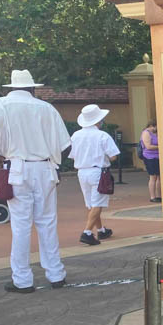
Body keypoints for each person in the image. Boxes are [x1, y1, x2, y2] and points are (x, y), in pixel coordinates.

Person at [0, 69, 71, 293]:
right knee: (47, 223)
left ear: (12, 87)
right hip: (45, 169)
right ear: (32, 88)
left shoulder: (2, 104)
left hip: (18, 169)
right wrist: (55, 165)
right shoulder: (46, 108)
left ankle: (23, 280)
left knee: (21, 226)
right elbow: (66, 146)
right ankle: (56, 274)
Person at [70, 104, 120, 245]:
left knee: (91, 204)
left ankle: (101, 230)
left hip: (82, 171)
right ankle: (87, 232)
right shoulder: (102, 135)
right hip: (98, 171)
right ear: (98, 120)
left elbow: (73, 155)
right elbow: (113, 156)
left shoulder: (76, 135)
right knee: (98, 203)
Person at [140, 121, 160, 202]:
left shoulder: (155, 133)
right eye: (156, 127)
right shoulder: (146, 133)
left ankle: (159, 196)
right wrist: (160, 146)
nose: (157, 129)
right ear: (151, 126)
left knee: (159, 177)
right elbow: (148, 146)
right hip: (149, 157)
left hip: (158, 156)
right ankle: (152, 197)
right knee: (153, 177)